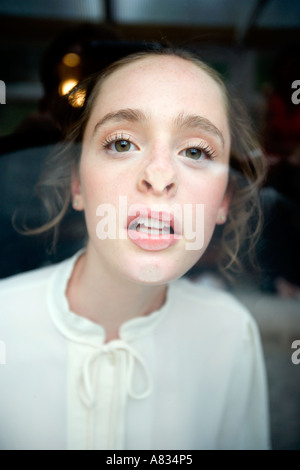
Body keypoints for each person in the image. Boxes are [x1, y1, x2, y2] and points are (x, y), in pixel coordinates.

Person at [0, 45, 270, 450]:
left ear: (224, 201)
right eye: (122, 143)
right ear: (77, 183)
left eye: (195, 151)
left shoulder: (232, 336)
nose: (159, 175)